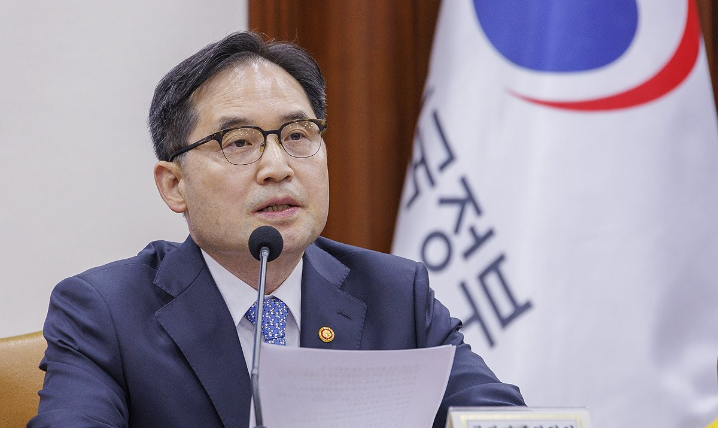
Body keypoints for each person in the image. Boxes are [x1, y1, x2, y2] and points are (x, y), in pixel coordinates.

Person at [29, 31, 525, 428]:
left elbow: (497, 419)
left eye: (297, 135)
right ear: (174, 185)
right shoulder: (105, 313)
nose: (277, 167)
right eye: (239, 142)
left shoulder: (396, 295)